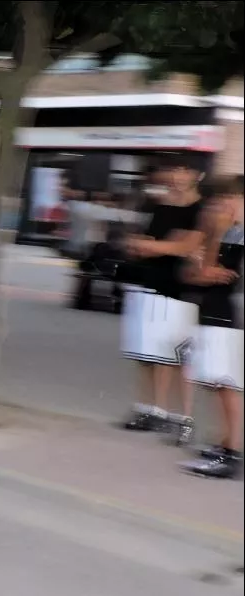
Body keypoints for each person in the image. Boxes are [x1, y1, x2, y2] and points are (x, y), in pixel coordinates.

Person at [121, 155, 206, 446]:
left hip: (183, 288)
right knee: (147, 351)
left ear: (197, 175)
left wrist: (158, 246)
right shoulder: (159, 206)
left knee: (177, 355)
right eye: (173, 170)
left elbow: (186, 246)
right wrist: (159, 246)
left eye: (183, 171)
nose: (176, 177)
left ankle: (182, 418)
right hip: (151, 283)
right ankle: (151, 409)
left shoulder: (201, 209)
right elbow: (140, 243)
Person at [181, 175, 243, 478]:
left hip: (230, 315)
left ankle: (232, 452)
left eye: (228, 199)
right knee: (217, 383)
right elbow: (197, 274)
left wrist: (214, 238)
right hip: (215, 311)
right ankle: (225, 445)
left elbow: (209, 272)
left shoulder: (237, 235)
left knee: (226, 384)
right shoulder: (230, 233)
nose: (221, 206)